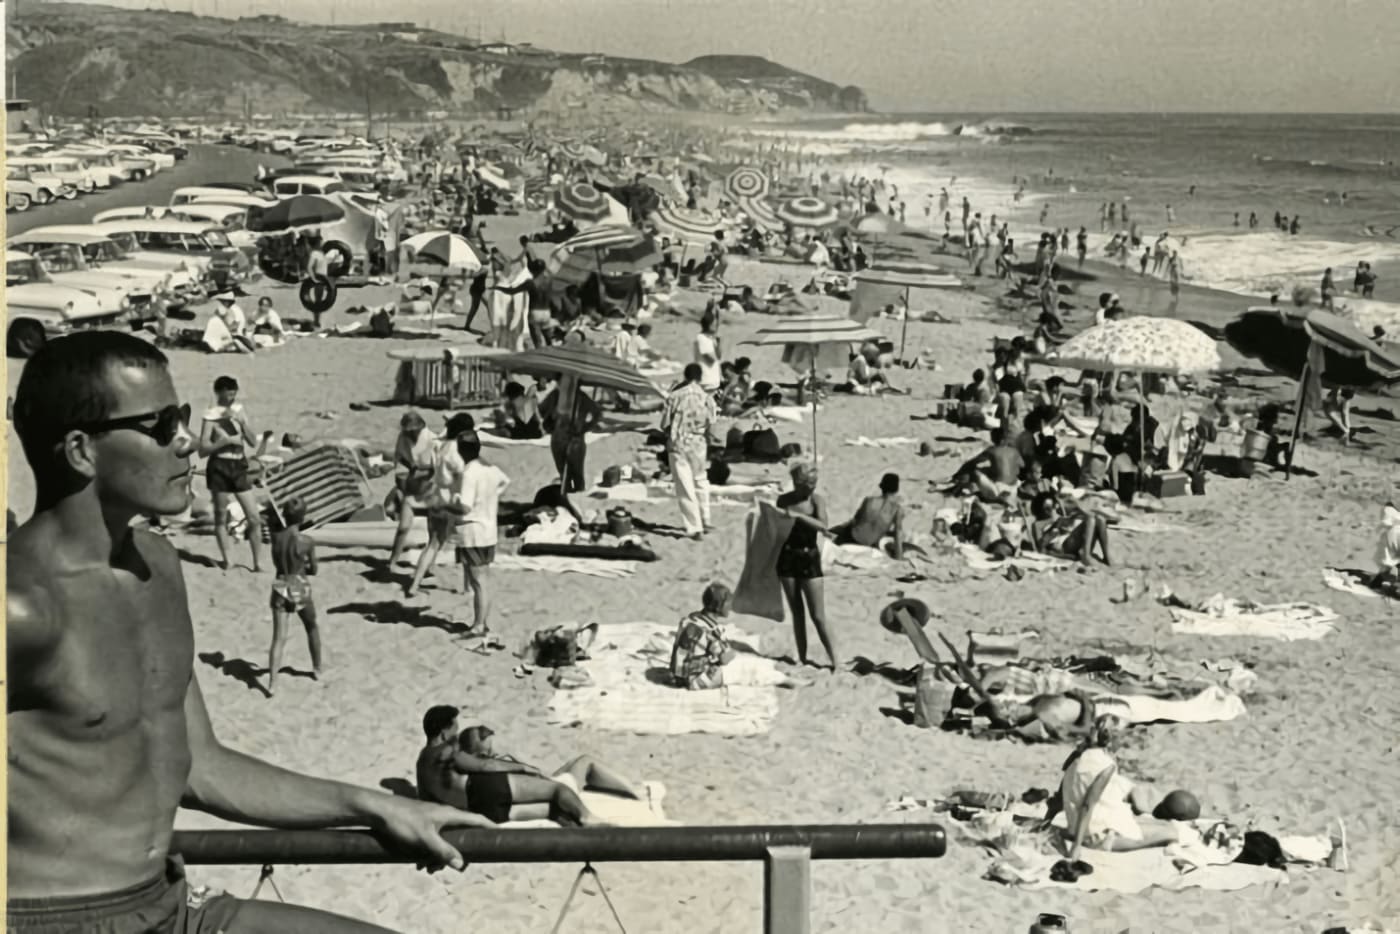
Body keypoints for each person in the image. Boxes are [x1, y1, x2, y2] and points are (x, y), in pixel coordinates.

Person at [8, 332, 487, 934]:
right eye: (160, 426)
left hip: (169, 902)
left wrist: (378, 805)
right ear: (81, 450)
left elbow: (199, 766)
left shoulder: (158, 567)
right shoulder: (21, 608)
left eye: (181, 417)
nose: (187, 442)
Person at [435, 723, 644, 826]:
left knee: (565, 777)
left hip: (495, 810)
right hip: (547, 789)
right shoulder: (490, 767)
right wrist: (521, 766)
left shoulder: (461, 772)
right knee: (584, 762)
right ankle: (634, 793)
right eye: (488, 751)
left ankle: (573, 816)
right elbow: (541, 783)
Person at [1058, 715, 1191, 856]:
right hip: (1098, 837)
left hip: (1078, 828)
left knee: (1160, 825)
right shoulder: (1105, 765)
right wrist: (1076, 846)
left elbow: (1061, 797)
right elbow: (1087, 805)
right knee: (1171, 833)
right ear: (1113, 739)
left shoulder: (1076, 758)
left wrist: (1054, 824)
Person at [199, 375, 268, 572]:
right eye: (228, 393)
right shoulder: (210, 416)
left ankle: (257, 562)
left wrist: (243, 424)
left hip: (238, 466)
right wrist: (223, 442)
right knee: (221, 516)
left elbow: (253, 442)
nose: (231, 397)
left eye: (234, 393)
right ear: (219, 393)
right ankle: (228, 560)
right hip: (219, 465)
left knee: (253, 517)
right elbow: (202, 449)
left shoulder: (239, 411)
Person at [404, 413, 475, 598]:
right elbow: (461, 475)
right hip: (452, 501)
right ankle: (468, 587)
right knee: (465, 545)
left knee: (433, 544)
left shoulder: (441, 447)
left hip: (436, 498)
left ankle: (415, 584)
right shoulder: (456, 452)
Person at [776, 461, 838, 670]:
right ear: (796, 482)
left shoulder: (816, 501)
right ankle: (802, 657)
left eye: (814, 483)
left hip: (808, 555)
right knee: (797, 612)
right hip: (787, 555)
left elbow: (823, 525)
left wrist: (799, 516)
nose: (811, 488)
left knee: (818, 614)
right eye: (807, 484)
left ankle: (835, 660)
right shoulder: (783, 500)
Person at [266, 494, 322, 695]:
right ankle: (317, 668)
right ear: (302, 516)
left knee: (278, 638)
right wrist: (305, 565)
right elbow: (314, 569)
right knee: (311, 626)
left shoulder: (276, 537)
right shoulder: (306, 541)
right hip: (297, 582)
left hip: (281, 581)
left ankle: (272, 683)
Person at [661, 362, 718, 540]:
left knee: (685, 485)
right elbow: (712, 426)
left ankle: (695, 527)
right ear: (700, 377)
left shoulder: (674, 396)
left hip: (679, 443)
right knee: (701, 480)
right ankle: (705, 518)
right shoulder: (707, 398)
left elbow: (664, 424)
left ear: (685, 376)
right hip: (699, 442)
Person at [387, 411, 440, 568]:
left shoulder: (432, 440)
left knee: (433, 533)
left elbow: (437, 469)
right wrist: (401, 487)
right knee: (403, 527)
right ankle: (393, 561)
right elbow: (400, 461)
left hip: (430, 489)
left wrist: (417, 472)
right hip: (410, 489)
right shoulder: (403, 438)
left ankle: (427, 566)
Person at [670, 582, 738, 690]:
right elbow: (725, 658)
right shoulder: (710, 630)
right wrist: (733, 653)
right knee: (737, 668)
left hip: (678, 678)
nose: (731, 606)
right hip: (695, 681)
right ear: (718, 605)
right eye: (728, 603)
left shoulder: (689, 620)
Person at [542, 372, 603, 493]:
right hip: (560, 439)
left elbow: (597, 413)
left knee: (576, 475)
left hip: (574, 440)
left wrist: (585, 428)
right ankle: (568, 497)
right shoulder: (555, 396)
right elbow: (542, 411)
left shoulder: (580, 397)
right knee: (565, 474)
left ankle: (576, 500)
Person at [1028, 491, 1113, 566]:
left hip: (1074, 541)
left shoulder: (1059, 516)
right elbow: (1041, 548)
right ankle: (1085, 554)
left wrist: (1071, 519)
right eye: (1047, 509)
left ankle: (1106, 557)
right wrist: (1053, 531)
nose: (1051, 510)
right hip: (1064, 547)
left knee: (1100, 519)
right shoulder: (1038, 524)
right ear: (1040, 510)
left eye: (1052, 506)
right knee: (1090, 517)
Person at [832, 473, 905, 558]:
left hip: (851, 538)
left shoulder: (869, 501)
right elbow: (898, 534)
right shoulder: (897, 510)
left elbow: (856, 520)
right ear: (896, 490)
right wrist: (899, 557)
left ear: (882, 487)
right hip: (869, 545)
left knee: (843, 527)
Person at [955, 427, 1026, 504]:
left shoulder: (992, 450)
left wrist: (958, 473)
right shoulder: (1014, 451)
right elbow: (1022, 465)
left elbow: (973, 462)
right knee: (988, 470)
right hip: (1014, 488)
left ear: (992, 439)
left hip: (998, 490)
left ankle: (957, 489)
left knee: (975, 472)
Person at [1371, 503, 1400, 591]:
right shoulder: (1395, 514)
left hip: (1391, 535)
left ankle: (1377, 582)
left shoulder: (1388, 512)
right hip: (1396, 534)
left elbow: (1384, 523)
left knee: (1389, 560)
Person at [694, 307, 723, 392]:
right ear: (709, 325)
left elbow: (719, 356)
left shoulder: (710, 339)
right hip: (706, 380)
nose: (716, 327)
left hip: (713, 380)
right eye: (714, 324)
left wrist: (719, 343)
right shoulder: (702, 339)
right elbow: (712, 359)